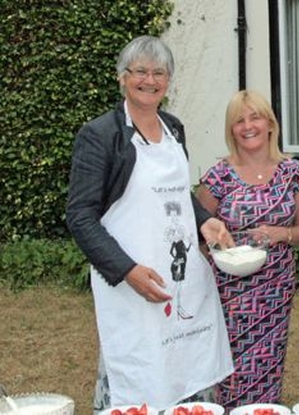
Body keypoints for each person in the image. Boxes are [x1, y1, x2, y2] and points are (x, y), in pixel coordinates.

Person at [65, 35, 234, 413]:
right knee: (138, 375)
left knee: (187, 366)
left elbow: (174, 193)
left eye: (159, 72)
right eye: (139, 71)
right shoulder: (100, 135)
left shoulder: (173, 127)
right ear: (122, 77)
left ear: (169, 81)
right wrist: (127, 271)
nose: (150, 79)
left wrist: (205, 221)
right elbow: (79, 215)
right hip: (132, 280)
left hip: (183, 277)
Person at [196, 90, 299, 408]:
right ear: (231, 129)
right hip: (228, 290)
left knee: (268, 363)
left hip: (274, 289)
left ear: (270, 123)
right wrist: (215, 249)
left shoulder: (294, 172)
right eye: (239, 121)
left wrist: (282, 233)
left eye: (255, 117)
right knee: (229, 368)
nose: (248, 126)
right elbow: (197, 226)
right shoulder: (219, 176)